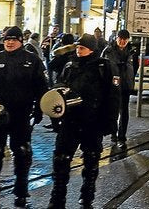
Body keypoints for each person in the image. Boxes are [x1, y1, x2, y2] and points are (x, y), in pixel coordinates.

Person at [0, 27, 47, 208]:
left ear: (21, 40)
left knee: (22, 152)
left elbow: (42, 87)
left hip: (21, 113)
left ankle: (21, 193)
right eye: (7, 39)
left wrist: (39, 109)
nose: (9, 42)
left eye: (13, 39)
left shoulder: (32, 60)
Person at [48, 34, 120, 209]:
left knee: (91, 159)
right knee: (61, 159)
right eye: (78, 48)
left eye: (82, 48)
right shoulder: (70, 65)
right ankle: (57, 198)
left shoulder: (104, 67)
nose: (79, 51)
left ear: (92, 49)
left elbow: (113, 96)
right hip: (71, 121)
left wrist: (110, 122)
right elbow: (58, 86)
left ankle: (87, 197)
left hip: (92, 121)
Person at [102, 29, 139, 147]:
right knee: (114, 110)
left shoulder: (132, 51)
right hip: (112, 86)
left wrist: (130, 78)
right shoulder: (108, 51)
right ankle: (113, 134)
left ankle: (122, 137)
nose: (122, 41)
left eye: (125, 39)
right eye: (120, 39)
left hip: (125, 85)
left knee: (124, 111)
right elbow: (102, 67)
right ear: (116, 38)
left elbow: (135, 66)